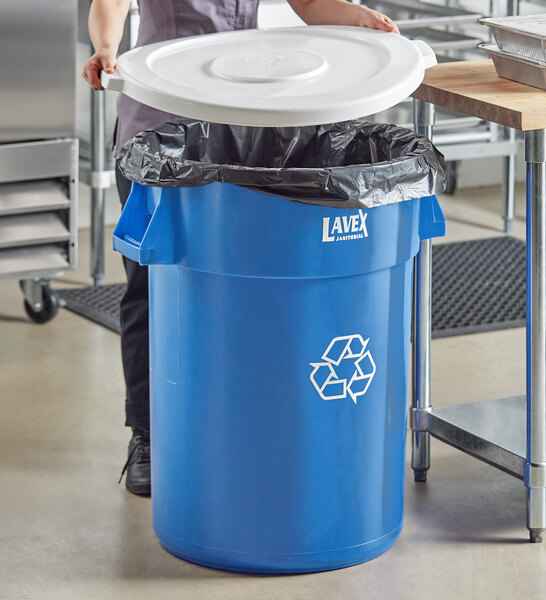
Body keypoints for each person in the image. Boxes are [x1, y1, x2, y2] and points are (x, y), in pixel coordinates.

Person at [82, 0, 399, 497]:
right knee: (153, 286)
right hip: (159, 131)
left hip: (243, 127)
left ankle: (235, 427)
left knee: (243, 292)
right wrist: (106, 46)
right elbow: (111, 3)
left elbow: (310, 4)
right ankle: (147, 436)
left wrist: (362, 20)